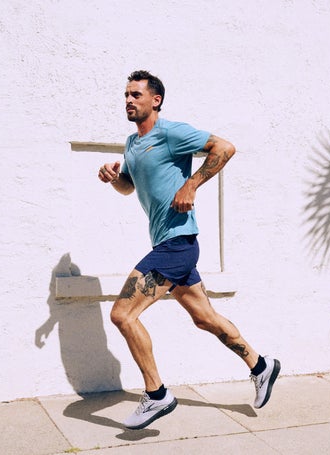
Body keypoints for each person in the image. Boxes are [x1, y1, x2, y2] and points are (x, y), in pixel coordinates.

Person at [97, 70, 281, 430]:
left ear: (156, 100)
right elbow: (129, 189)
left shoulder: (171, 133)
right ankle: (262, 366)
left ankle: (157, 394)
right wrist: (113, 177)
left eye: (136, 95)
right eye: (126, 95)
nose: (129, 101)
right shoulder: (132, 143)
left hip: (177, 243)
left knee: (122, 315)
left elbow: (225, 147)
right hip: (169, 243)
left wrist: (192, 184)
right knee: (204, 318)